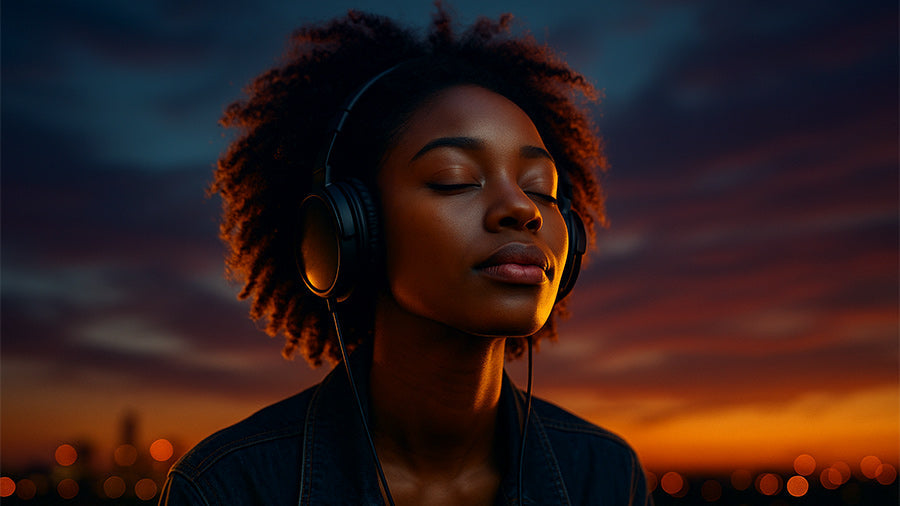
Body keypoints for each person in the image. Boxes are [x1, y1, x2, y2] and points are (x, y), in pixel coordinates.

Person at [160, 6, 651, 506]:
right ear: (349, 228)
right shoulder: (227, 488)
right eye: (455, 179)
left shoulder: (606, 477)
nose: (522, 209)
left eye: (541, 188)